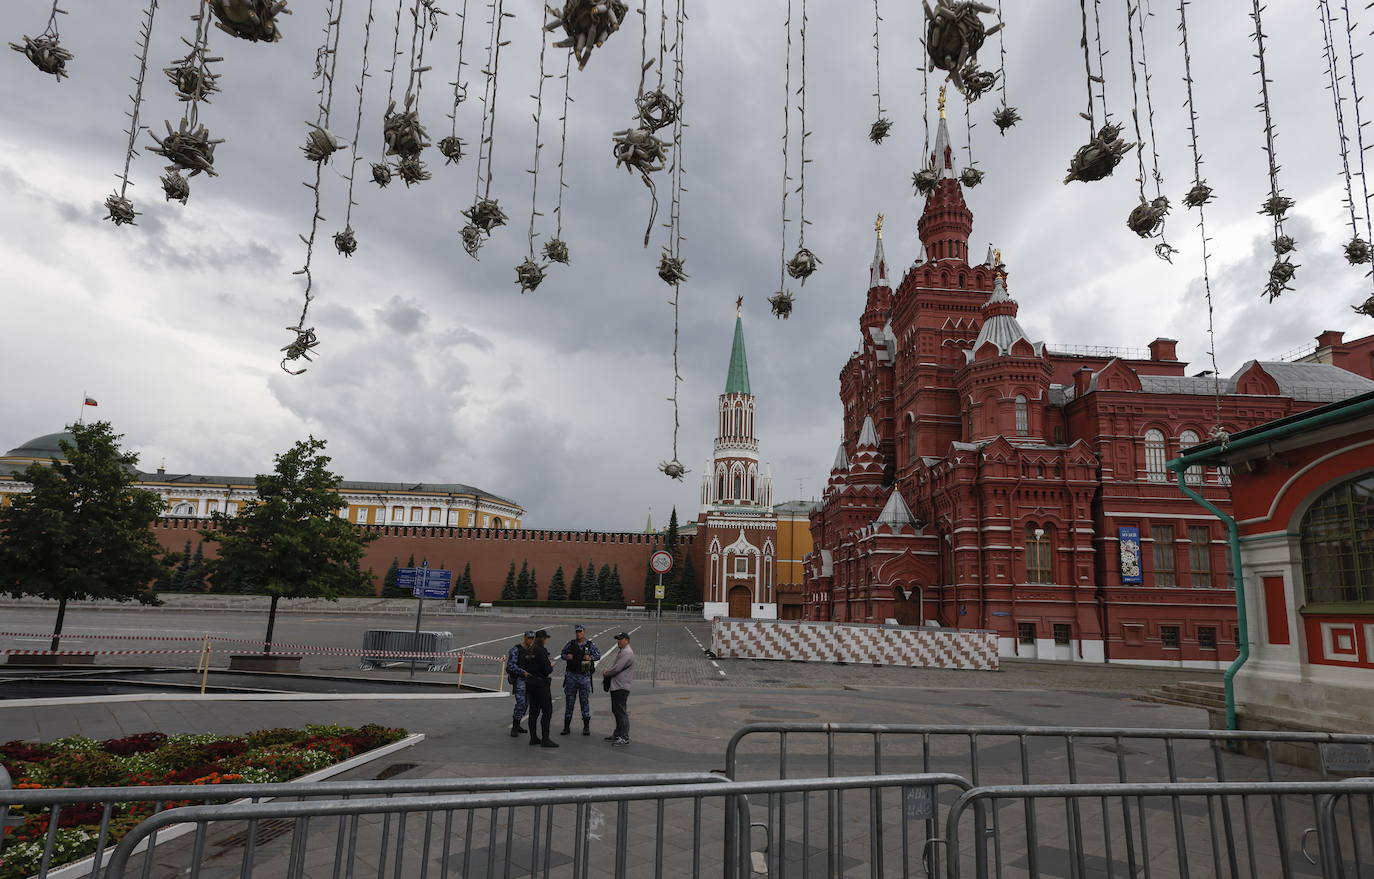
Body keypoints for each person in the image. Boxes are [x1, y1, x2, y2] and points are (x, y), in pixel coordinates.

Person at [559, 624, 601, 736]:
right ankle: (566, 727)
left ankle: (586, 727)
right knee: (569, 702)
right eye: (577, 631)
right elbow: (562, 654)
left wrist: (590, 657)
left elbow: (598, 655)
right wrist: (567, 657)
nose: (578, 633)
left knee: (584, 702)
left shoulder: (589, 645)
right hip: (571, 676)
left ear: (584, 632)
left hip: (584, 677)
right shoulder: (571, 644)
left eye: (580, 631)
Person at [600, 631, 635, 746]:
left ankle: (624, 737)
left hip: (621, 686)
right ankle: (618, 734)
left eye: (620, 639)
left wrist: (607, 672)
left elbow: (617, 668)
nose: (618, 641)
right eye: (617, 639)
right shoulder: (623, 651)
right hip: (618, 686)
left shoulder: (627, 652)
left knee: (620, 712)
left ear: (627, 640)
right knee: (617, 711)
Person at [525, 629, 559, 748]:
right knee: (547, 711)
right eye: (546, 638)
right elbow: (546, 670)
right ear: (543, 639)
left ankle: (533, 737)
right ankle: (545, 739)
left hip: (530, 682)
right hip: (541, 684)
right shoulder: (541, 651)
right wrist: (551, 665)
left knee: (533, 711)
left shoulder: (530, 649)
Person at [506, 631, 535, 737]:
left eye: (532, 638)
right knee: (521, 703)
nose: (530, 640)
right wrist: (523, 672)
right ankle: (514, 726)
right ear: (524, 638)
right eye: (529, 638)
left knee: (526, 704)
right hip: (520, 681)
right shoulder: (516, 650)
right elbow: (510, 666)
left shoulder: (533, 650)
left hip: (530, 681)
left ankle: (517, 724)